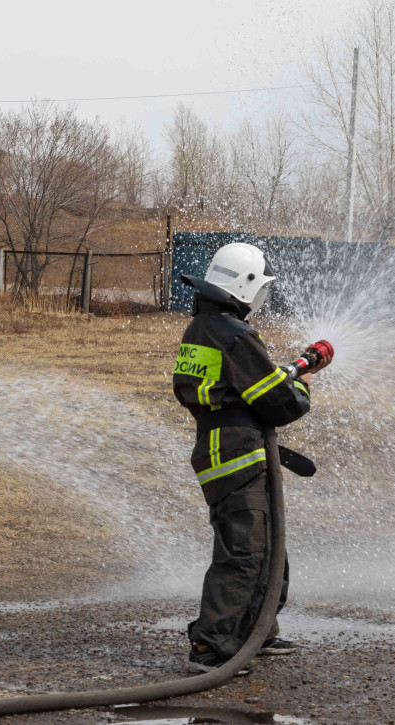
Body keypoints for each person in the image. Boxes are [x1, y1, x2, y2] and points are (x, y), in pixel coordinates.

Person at [172, 242, 313, 672]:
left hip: (227, 451)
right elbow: (280, 404)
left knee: (266, 546)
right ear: (247, 285)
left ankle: (254, 631)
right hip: (236, 456)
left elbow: (240, 387)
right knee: (245, 553)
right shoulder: (234, 335)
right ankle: (211, 644)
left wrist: (280, 376)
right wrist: (299, 385)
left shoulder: (205, 327)